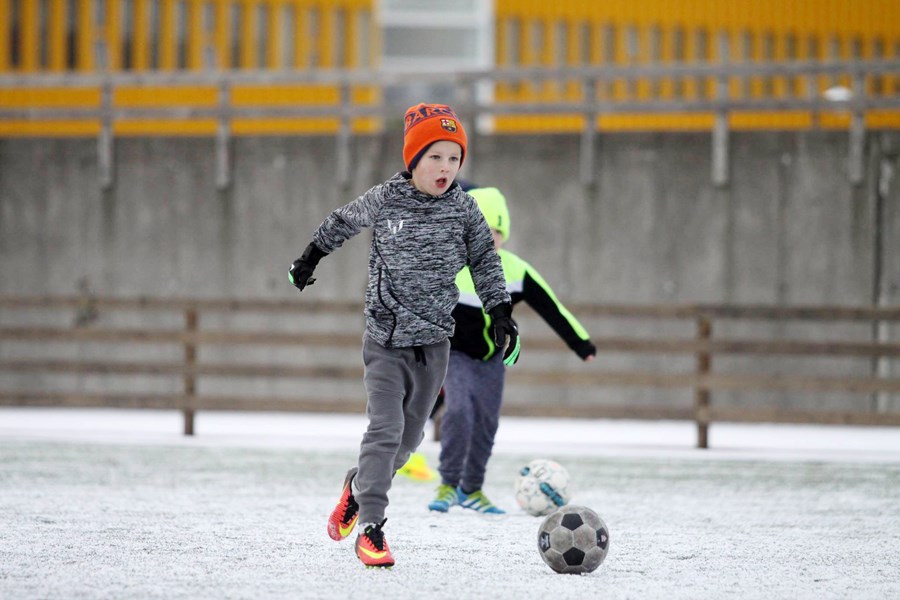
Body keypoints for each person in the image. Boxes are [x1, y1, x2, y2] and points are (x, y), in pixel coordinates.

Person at [288, 103, 521, 568]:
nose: (445, 168)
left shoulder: (464, 210)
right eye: (435, 157)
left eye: (454, 159)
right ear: (414, 158)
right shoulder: (387, 197)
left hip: (434, 344)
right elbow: (342, 222)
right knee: (385, 429)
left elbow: (486, 263)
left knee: (408, 441)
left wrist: (501, 313)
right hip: (385, 340)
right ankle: (372, 528)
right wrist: (309, 257)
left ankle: (357, 488)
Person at [428, 186, 596, 514]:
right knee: (460, 411)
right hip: (454, 355)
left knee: (487, 422)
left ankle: (471, 489)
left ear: (503, 234)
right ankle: (448, 483)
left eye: (495, 232)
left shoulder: (515, 271)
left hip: (492, 360)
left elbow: (552, 307)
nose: (488, 239)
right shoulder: (446, 265)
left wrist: (580, 343)